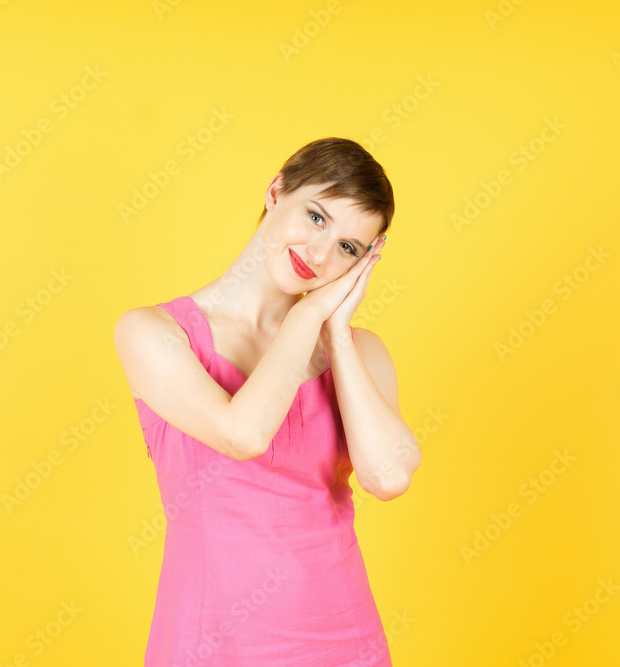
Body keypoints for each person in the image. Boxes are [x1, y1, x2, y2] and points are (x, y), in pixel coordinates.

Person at [113, 137, 421, 666]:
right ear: (276, 191)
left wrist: (337, 333)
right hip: (214, 641)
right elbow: (243, 434)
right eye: (317, 217)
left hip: (345, 640)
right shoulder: (156, 333)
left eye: (349, 247)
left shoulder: (360, 350)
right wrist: (306, 316)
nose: (321, 253)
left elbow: (388, 478)